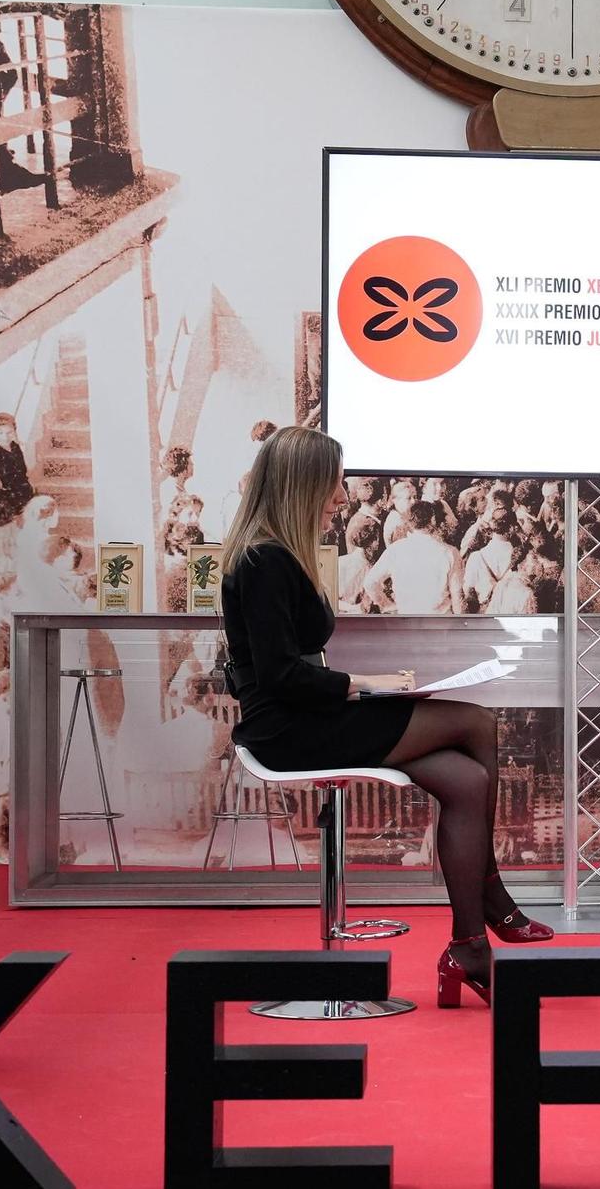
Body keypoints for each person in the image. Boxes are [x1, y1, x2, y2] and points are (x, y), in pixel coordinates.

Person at [219, 427, 551, 1010]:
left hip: (310, 717)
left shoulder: (276, 554)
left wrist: (359, 689)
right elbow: (277, 675)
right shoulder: (263, 560)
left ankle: (469, 946)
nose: (342, 498)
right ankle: (492, 896)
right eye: (334, 485)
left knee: (467, 780)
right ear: (302, 486)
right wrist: (362, 685)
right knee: (476, 723)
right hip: (290, 732)